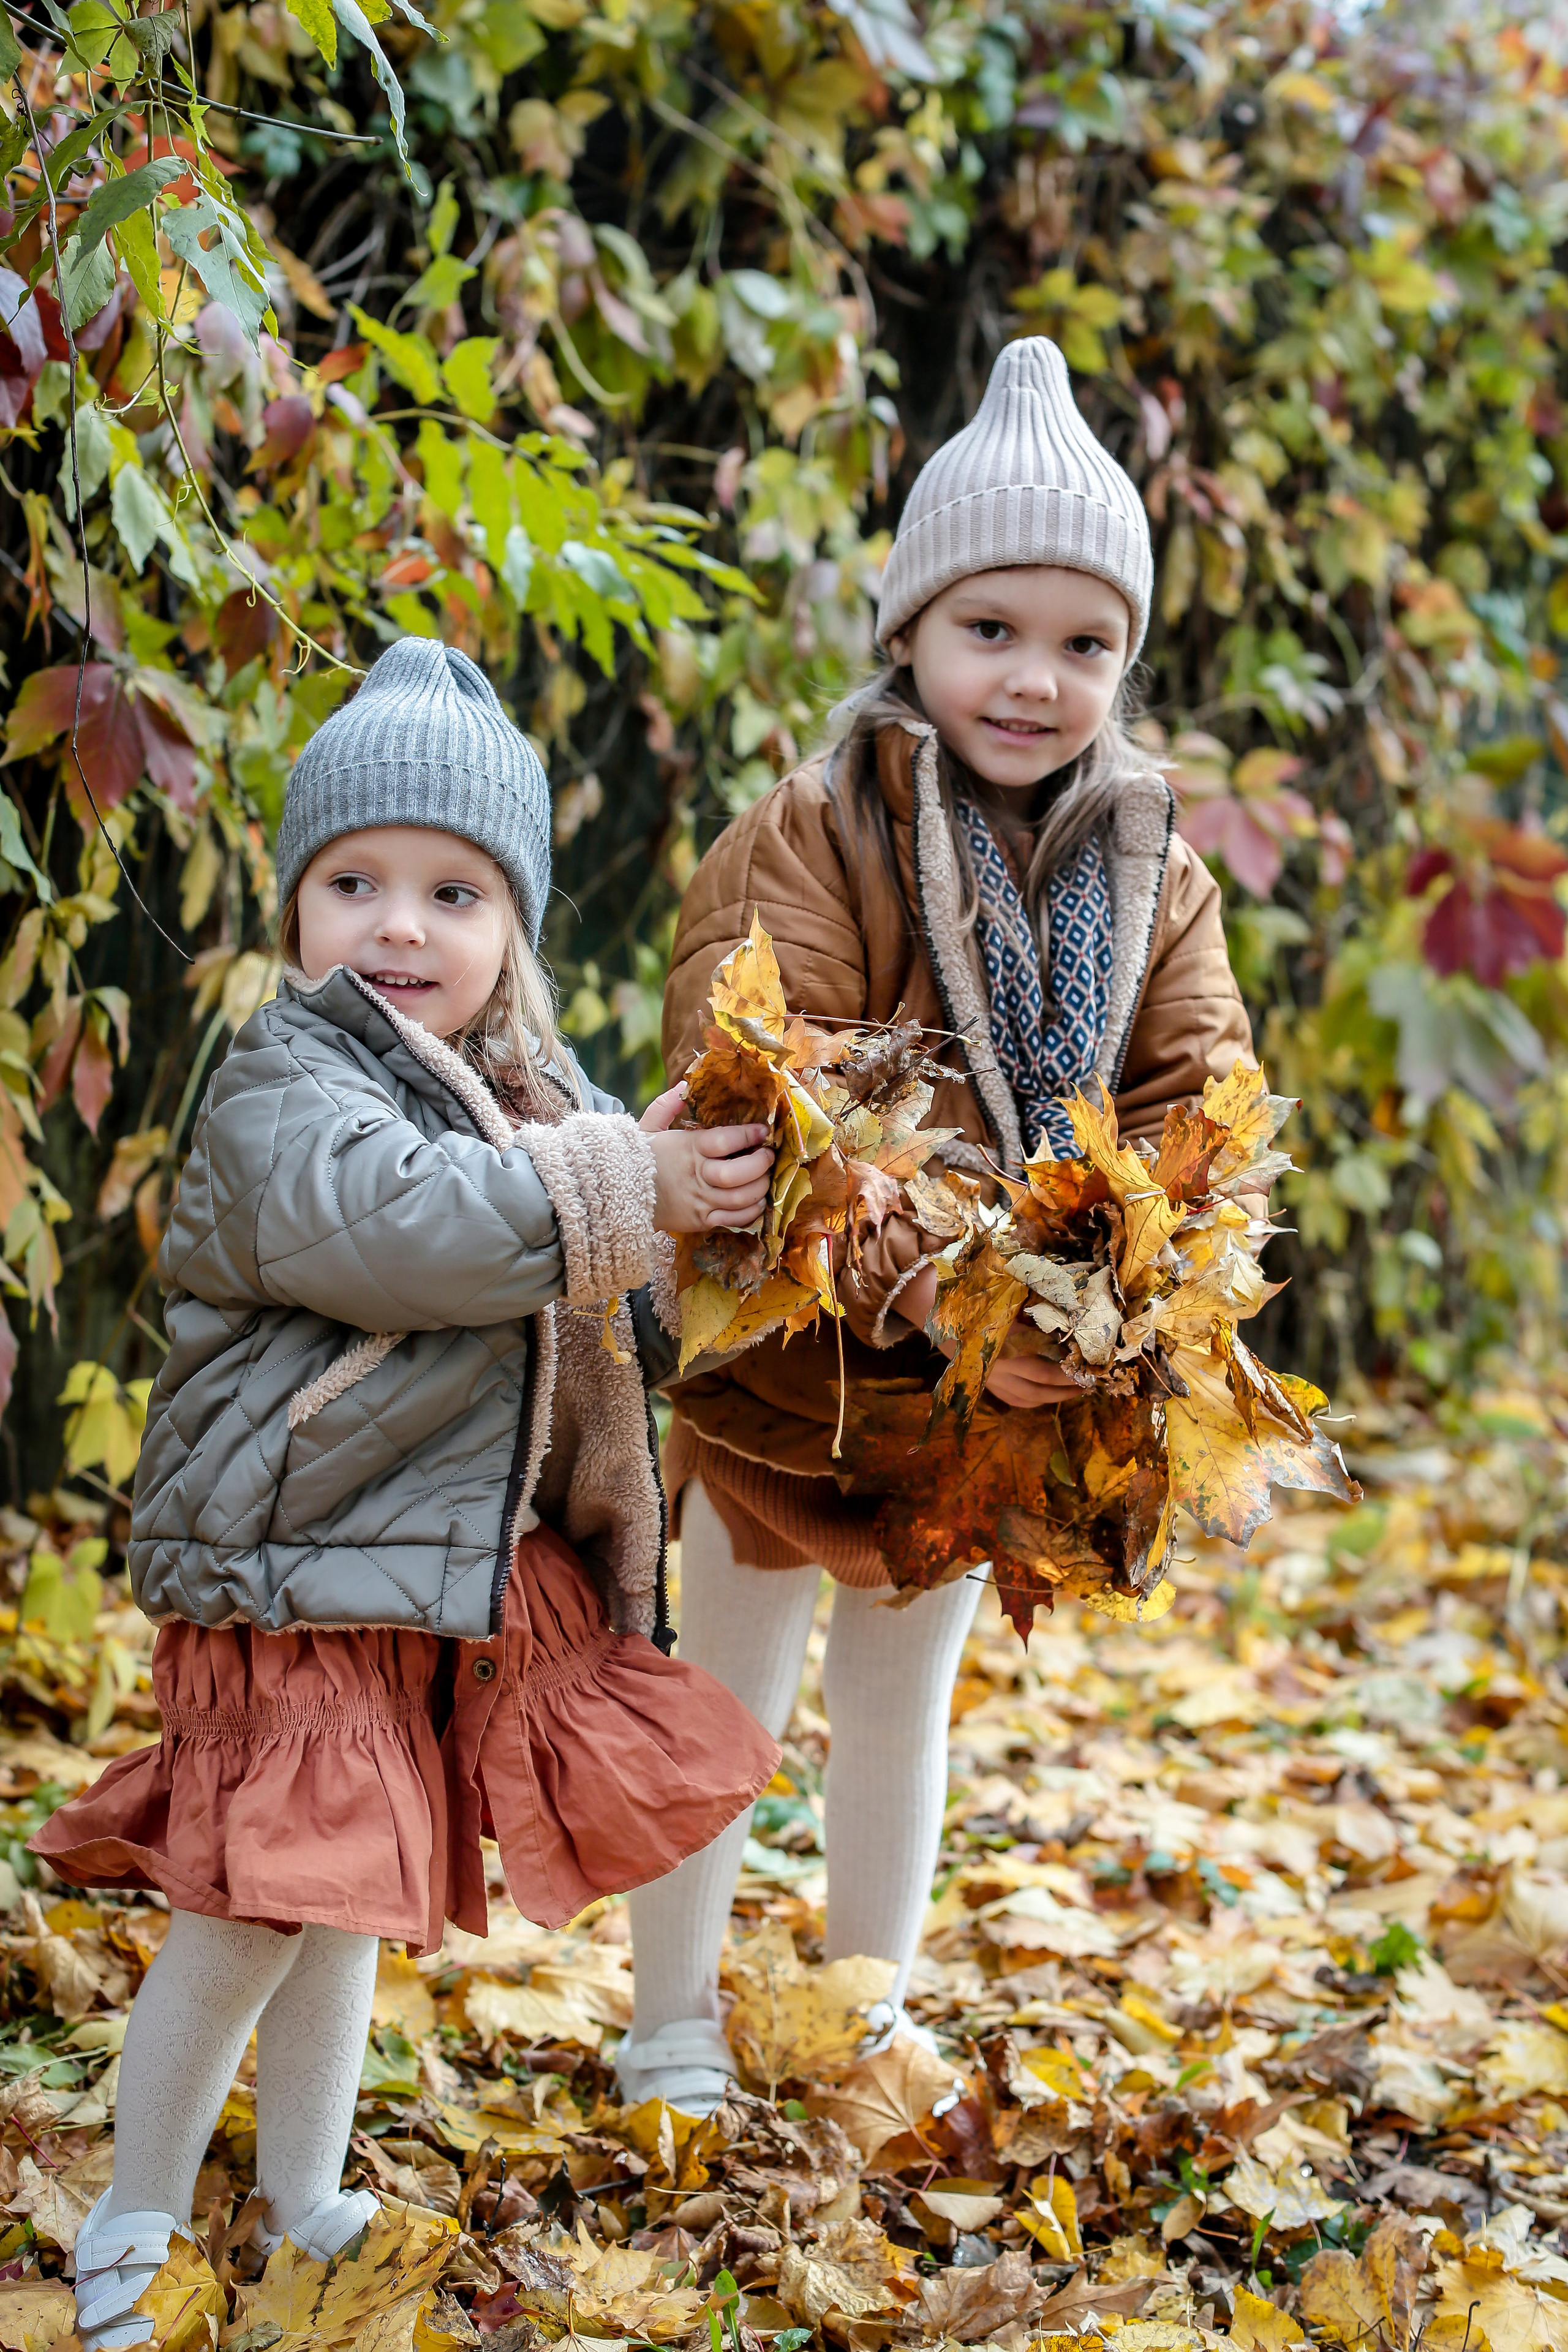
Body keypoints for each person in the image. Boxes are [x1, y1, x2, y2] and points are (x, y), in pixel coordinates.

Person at [34, 641, 780, 2352]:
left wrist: (688, 1206)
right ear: (297, 906)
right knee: (252, 1916)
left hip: (411, 1576)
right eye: (354, 883)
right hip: (288, 1570)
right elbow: (415, 1230)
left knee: (345, 1904)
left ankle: (304, 2194)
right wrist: (626, 1179)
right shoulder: (286, 1087)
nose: (400, 925)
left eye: (455, 893)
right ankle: (136, 2212)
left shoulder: (531, 1096)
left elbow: (608, 1295)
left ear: (513, 924)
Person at [615, 336, 1254, 2113]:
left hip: (993, 1400)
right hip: (799, 1364)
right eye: (992, 629)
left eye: (1085, 644)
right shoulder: (813, 831)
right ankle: (671, 2020)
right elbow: (776, 1085)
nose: (1036, 680)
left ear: (1125, 662)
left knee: (903, 1707)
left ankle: (866, 2012)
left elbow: (1199, 1109)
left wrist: (1116, 1306)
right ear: (910, 632)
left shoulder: (1157, 872)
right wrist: (956, 1291)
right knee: (728, 1706)